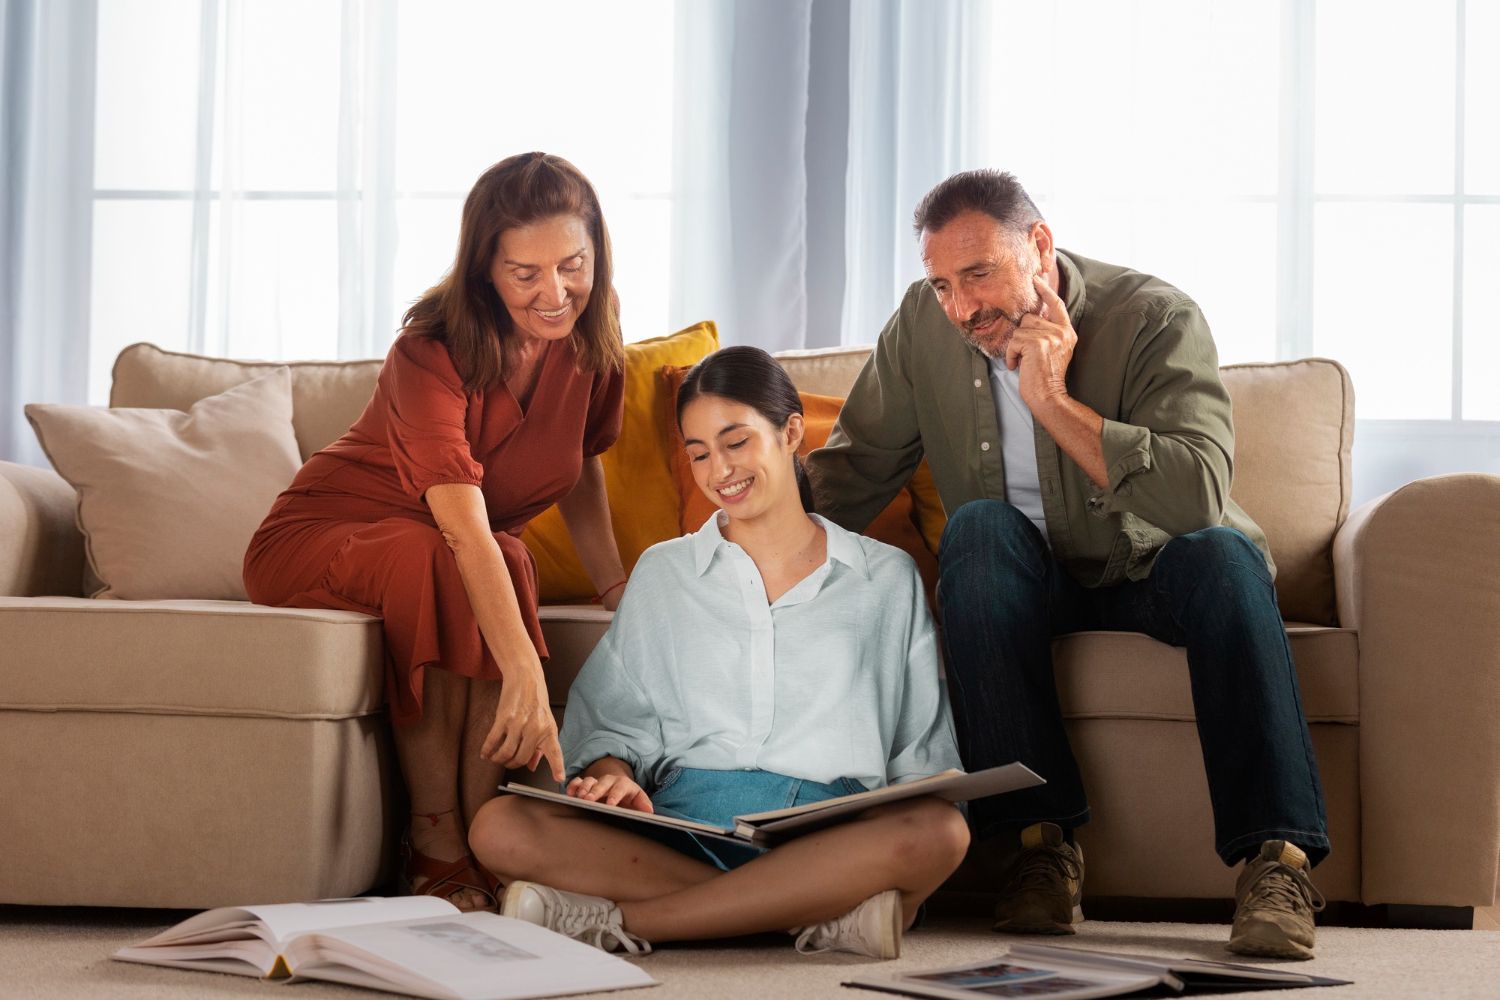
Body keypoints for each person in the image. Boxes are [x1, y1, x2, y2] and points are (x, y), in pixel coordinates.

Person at [805, 170, 1330, 960]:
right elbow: (857, 467)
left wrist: (1050, 400)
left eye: (978, 274)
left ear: (1039, 247)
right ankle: (1038, 848)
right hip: (1025, 578)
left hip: (1154, 564)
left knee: (1224, 556)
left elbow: (1195, 497)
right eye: (942, 283)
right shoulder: (924, 327)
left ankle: (1276, 866)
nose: (961, 307)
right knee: (976, 532)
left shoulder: (1154, 316)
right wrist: (733, 536)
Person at [468, 346, 969, 959]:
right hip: (680, 825)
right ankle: (813, 912)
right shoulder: (663, 572)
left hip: (832, 833)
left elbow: (921, 759)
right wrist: (612, 778)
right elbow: (610, 728)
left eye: (736, 442)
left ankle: (630, 922)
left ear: (789, 433)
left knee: (941, 831)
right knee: (500, 826)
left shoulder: (885, 577)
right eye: (699, 453)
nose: (718, 471)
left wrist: (908, 817)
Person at [244, 153, 628, 913]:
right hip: (325, 532)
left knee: (510, 558)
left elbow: (580, 460)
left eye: (572, 265)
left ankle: (481, 841)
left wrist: (618, 587)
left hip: (454, 542)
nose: (555, 293)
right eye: (526, 273)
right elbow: (461, 531)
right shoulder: (430, 350)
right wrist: (525, 673)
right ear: (484, 268)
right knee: (445, 555)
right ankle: (433, 842)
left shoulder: (592, 331)